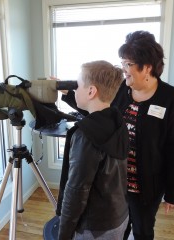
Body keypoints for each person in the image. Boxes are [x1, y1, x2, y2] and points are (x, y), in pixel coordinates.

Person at [60, 31, 174, 240]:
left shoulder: (171, 99)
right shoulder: (121, 89)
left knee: (142, 230)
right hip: (115, 183)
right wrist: (68, 94)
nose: (123, 69)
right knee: (120, 228)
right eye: (122, 63)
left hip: (147, 186)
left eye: (128, 64)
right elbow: (98, 114)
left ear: (147, 66)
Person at [56, 60, 130, 240]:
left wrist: (64, 234)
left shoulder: (85, 136)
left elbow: (76, 191)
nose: (75, 90)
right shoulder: (118, 122)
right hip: (119, 216)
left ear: (91, 91)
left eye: (78, 85)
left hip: (95, 227)